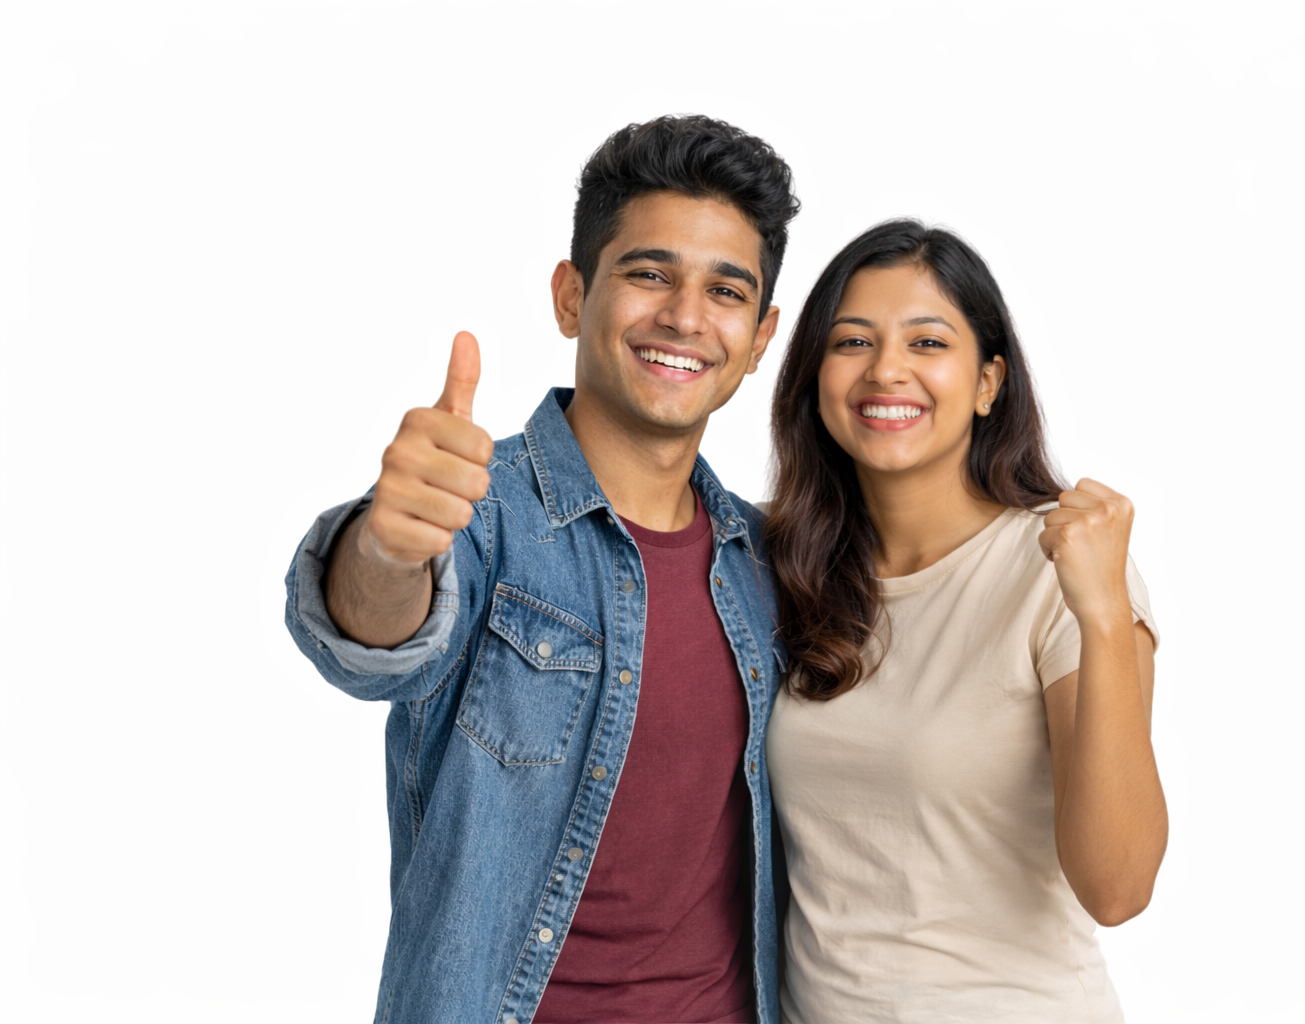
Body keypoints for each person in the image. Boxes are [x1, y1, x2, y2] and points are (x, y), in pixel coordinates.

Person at [284, 115, 798, 1024]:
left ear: (759, 339)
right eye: (649, 274)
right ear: (571, 296)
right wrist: (386, 548)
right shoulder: (480, 514)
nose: (685, 317)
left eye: (725, 291)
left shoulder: (769, 565)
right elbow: (372, 642)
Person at [763, 220, 1168, 1023]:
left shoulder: (1058, 569)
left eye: (927, 342)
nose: (886, 369)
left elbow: (1118, 888)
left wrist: (1102, 615)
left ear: (988, 383)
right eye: (853, 341)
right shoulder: (784, 567)